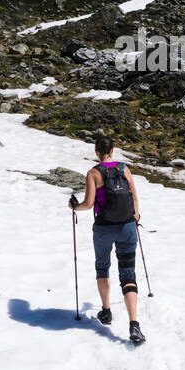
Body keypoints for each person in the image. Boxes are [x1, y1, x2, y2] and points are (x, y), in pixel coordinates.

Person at [68, 133, 145, 343]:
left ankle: (106, 310)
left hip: (104, 228)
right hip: (128, 226)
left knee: (103, 267)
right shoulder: (124, 169)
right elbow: (135, 196)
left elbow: (89, 204)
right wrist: (135, 216)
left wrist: (74, 206)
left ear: (97, 152)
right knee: (128, 272)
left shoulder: (94, 173)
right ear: (112, 151)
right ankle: (134, 324)